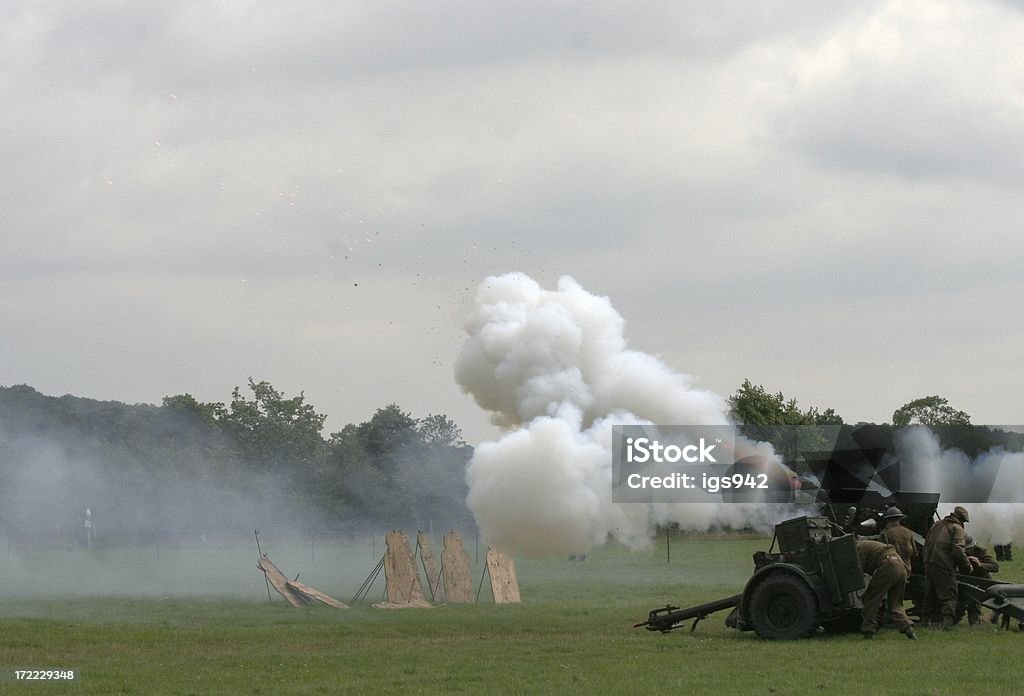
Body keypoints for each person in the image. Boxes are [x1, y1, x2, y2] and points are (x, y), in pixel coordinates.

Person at [922, 505, 972, 629]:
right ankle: (947, 624)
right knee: (949, 595)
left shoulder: (937, 524)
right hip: (943, 565)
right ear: (961, 519)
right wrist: (967, 567)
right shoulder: (957, 528)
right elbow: (958, 550)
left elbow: (926, 542)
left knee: (930, 594)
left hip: (928, 563)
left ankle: (924, 622)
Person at [856, 539, 917, 640]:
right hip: (901, 567)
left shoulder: (859, 547)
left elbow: (858, 568)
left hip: (889, 566)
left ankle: (868, 631)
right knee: (895, 603)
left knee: (871, 598)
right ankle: (908, 630)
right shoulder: (870, 545)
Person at [956, 534, 999, 625]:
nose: (965, 552)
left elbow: (994, 566)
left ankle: (980, 622)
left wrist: (979, 564)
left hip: (982, 580)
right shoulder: (956, 552)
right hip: (965, 580)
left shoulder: (980, 551)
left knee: (976, 601)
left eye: (967, 550)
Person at [879, 506, 916, 570]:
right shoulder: (908, 531)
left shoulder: (885, 533)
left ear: (887, 519)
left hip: (893, 567)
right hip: (907, 568)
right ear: (900, 518)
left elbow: (881, 553)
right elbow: (915, 552)